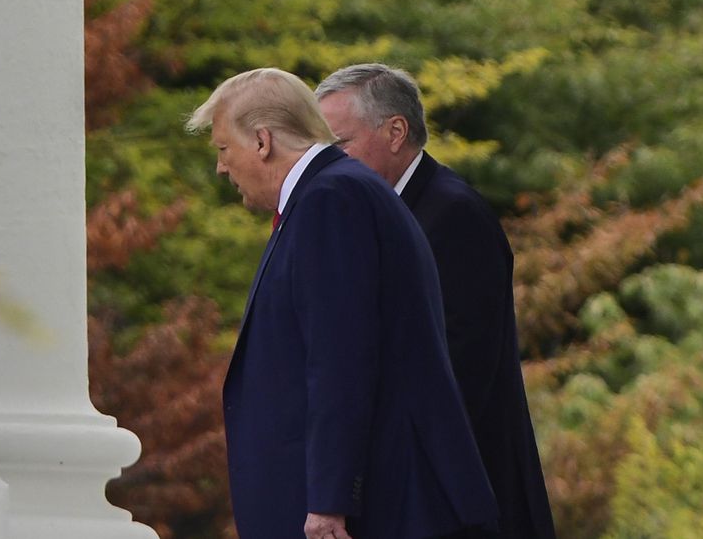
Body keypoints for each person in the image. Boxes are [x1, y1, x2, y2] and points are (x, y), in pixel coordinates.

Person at [187, 67, 497, 539]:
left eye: (224, 149)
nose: (221, 167)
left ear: (262, 141)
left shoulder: (332, 199)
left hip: (367, 510)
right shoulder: (335, 192)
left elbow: (340, 359)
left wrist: (329, 501)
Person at [315, 63, 557, 539]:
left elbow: (461, 369)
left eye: (340, 144)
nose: (330, 162)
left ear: (396, 132)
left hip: (456, 494)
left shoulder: (452, 215)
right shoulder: (386, 212)